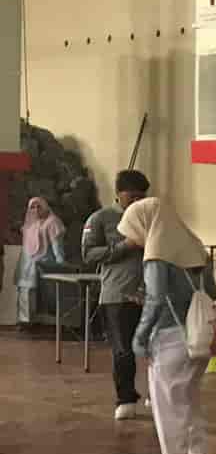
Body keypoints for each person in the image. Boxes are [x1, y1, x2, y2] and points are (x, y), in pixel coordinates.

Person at [119, 197, 216, 454]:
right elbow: (211, 293)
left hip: (169, 340)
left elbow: (155, 299)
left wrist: (139, 338)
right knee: (188, 405)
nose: (134, 239)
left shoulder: (157, 254)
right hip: (198, 338)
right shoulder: (195, 248)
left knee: (167, 411)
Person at [82, 170, 150, 417]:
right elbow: (89, 254)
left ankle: (157, 395)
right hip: (117, 295)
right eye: (132, 197)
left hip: (151, 294)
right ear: (119, 194)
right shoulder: (101, 219)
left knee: (158, 349)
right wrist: (124, 246)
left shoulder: (151, 216)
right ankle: (126, 399)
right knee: (123, 350)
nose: (137, 202)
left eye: (141, 197)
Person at [15, 196, 66, 328]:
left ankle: (51, 322)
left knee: (49, 295)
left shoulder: (52, 222)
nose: (36, 209)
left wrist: (61, 264)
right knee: (25, 290)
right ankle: (25, 321)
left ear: (45, 206)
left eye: (39, 206)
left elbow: (57, 246)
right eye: (32, 207)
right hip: (27, 264)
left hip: (45, 264)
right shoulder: (30, 223)